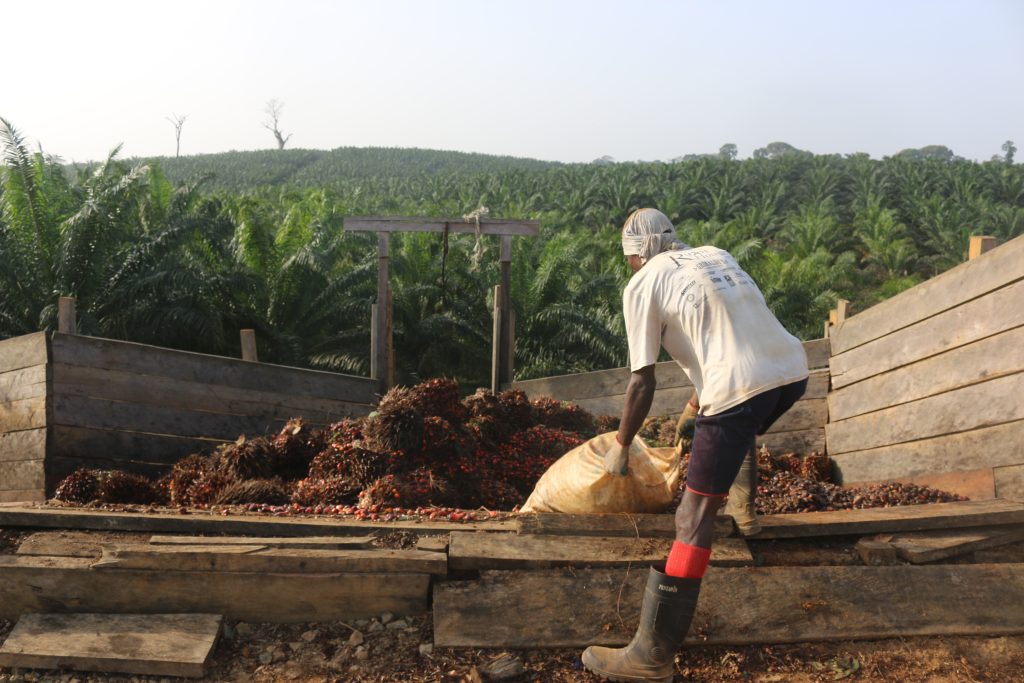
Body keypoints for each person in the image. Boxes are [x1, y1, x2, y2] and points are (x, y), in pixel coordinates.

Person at [583, 208, 808, 683]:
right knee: (736, 428)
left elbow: (641, 381)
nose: (629, 266)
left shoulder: (642, 283)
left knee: (692, 517)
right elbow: (730, 335)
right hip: (791, 373)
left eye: (628, 259)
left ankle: (650, 658)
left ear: (637, 253)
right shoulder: (715, 255)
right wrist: (695, 403)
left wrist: (622, 443)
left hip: (738, 388)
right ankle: (742, 507)